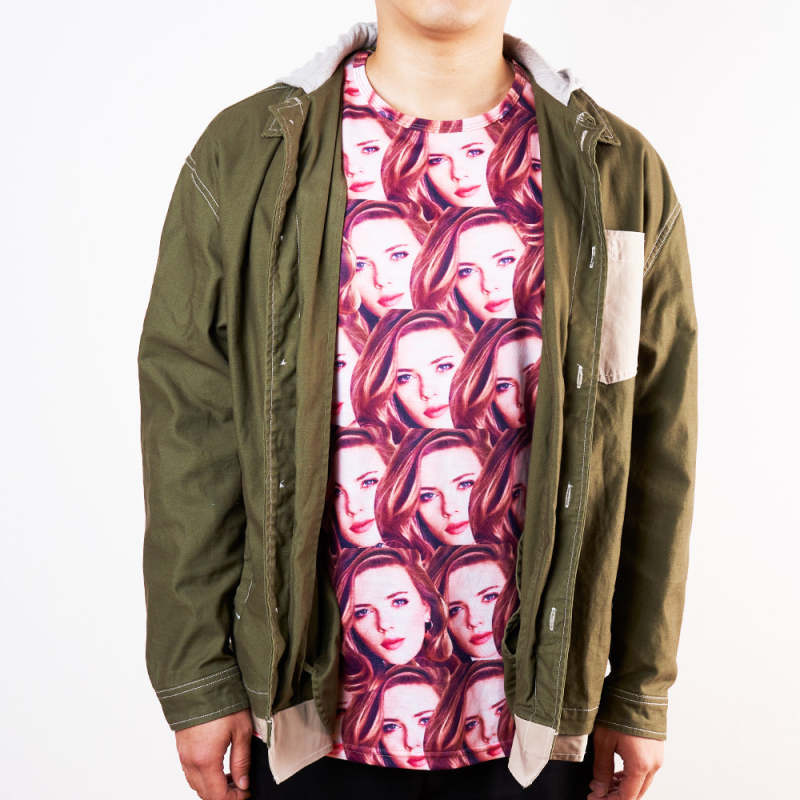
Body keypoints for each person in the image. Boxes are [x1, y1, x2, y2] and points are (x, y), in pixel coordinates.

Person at [137, 2, 698, 799]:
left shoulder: (618, 175)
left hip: (536, 730)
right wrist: (197, 674)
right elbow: (190, 429)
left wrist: (640, 688)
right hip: (303, 725)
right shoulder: (249, 155)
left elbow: (654, 444)